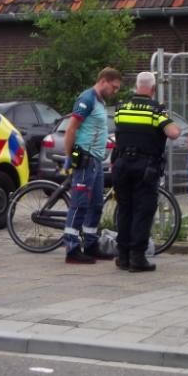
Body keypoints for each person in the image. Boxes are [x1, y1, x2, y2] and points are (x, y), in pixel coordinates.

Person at [111, 72, 181, 272]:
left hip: (122, 164)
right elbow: (174, 133)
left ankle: (122, 256)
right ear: (153, 88)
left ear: (136, 86)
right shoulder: (157, 110)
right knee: (143, 210)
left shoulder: (121, 107)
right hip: (145, 167)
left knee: (125, 209)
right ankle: (137, 258)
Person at [62, 67, 123, 264]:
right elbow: (71, 129)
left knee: (96, 204)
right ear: (103, 81)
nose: (116, 91)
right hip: (85, 159)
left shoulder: (100, 102)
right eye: (114, 87)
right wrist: (69, 157)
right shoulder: (87, 99)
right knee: (79, 204)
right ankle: (71, 249)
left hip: (95, 161)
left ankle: (90, 243)